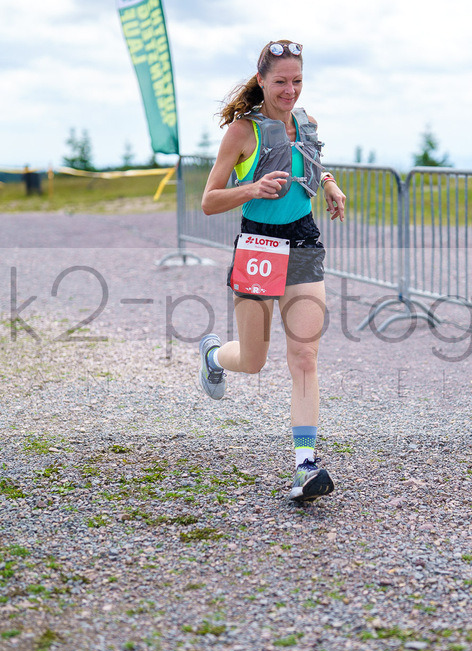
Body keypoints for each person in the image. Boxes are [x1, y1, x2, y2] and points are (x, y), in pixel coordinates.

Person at [198, 39, 347, 504]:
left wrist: (329, 184)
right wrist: (253, 188)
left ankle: (305, 466)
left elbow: (311, 161)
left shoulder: (308, 122)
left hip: (302, 239)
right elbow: (208, 201)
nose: (290, 90)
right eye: (280, 81)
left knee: (304, 356)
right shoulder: (243, 132)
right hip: (258, 241)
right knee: (255, 360)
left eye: (297, 81)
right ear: (261, 80)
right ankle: (213, 357)